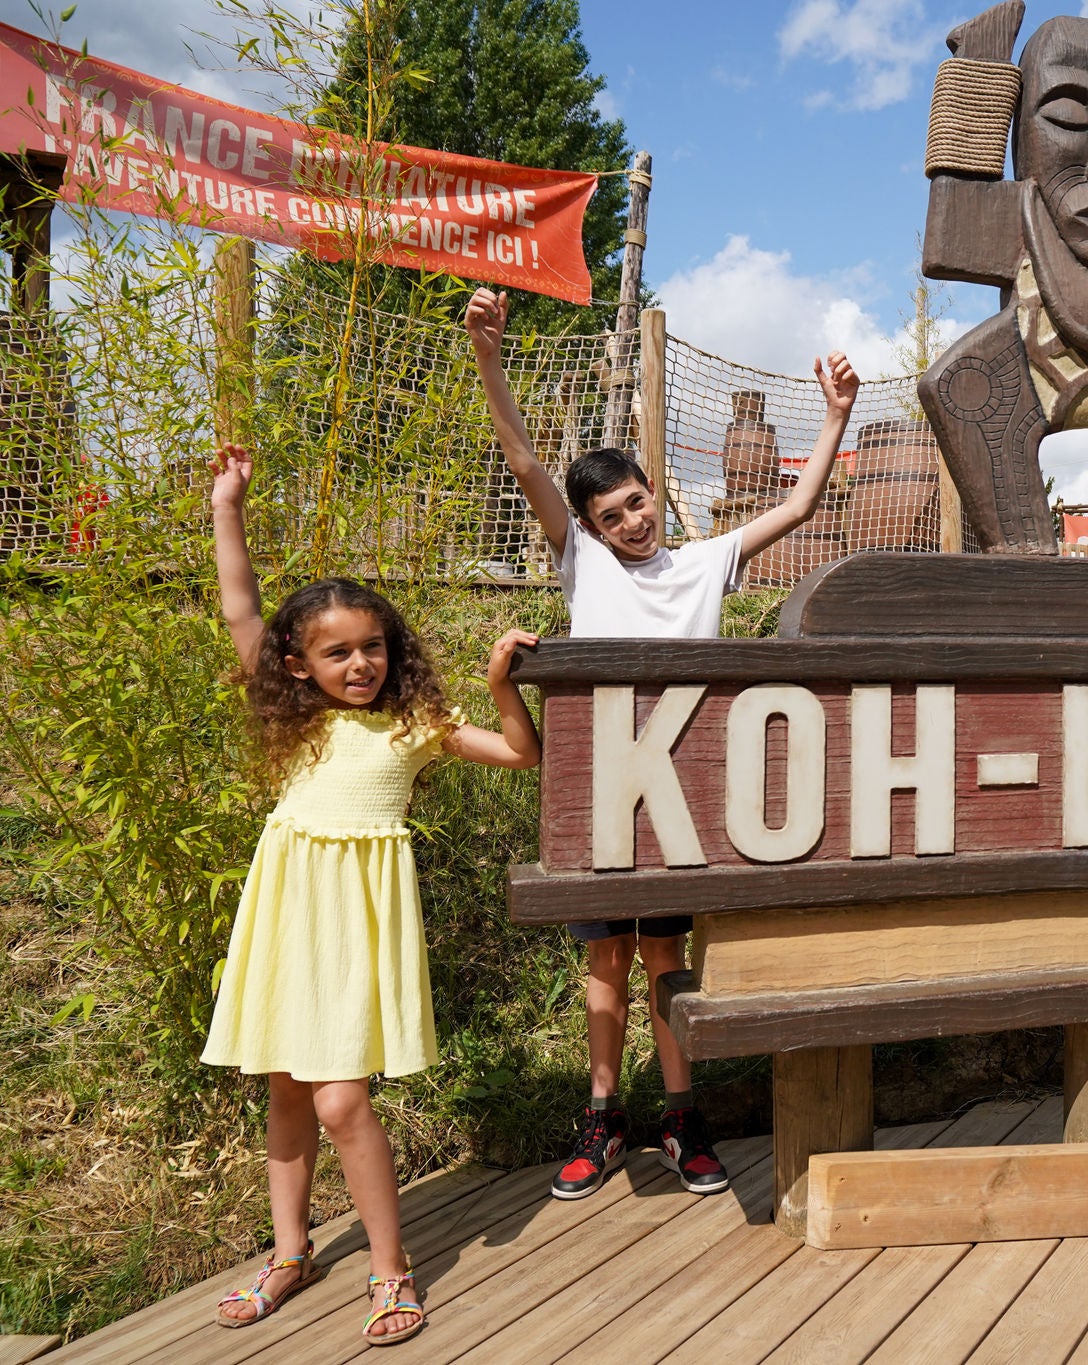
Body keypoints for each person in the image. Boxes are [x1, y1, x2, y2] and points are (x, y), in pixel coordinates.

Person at [464, 286, 861, 1201]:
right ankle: (602, 1117)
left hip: (683, 790)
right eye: (614, 517)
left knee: (666, 958)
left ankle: (684, 1119)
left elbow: (796, 509)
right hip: (604, 786)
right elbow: (523, 457)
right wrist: (490, 353)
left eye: (640, 504)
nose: (634, 524)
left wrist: (837, 414)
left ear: (655, 495)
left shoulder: (702, 560)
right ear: (591, 531)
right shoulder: (586, 566)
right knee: (604, 958)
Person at [203, 444, 542, 1343]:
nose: (360, 664)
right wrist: (226, 507)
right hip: (285, 914)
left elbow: (520, 754)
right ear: (300, 662)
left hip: (355, 924)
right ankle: (288, 1252)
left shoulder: (416, 725)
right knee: (283, 1086)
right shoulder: (300, 721)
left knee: (340, 1098)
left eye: (373, 647)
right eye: (338, 651)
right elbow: (241, 604)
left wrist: (502, 686)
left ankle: (390, 1271)